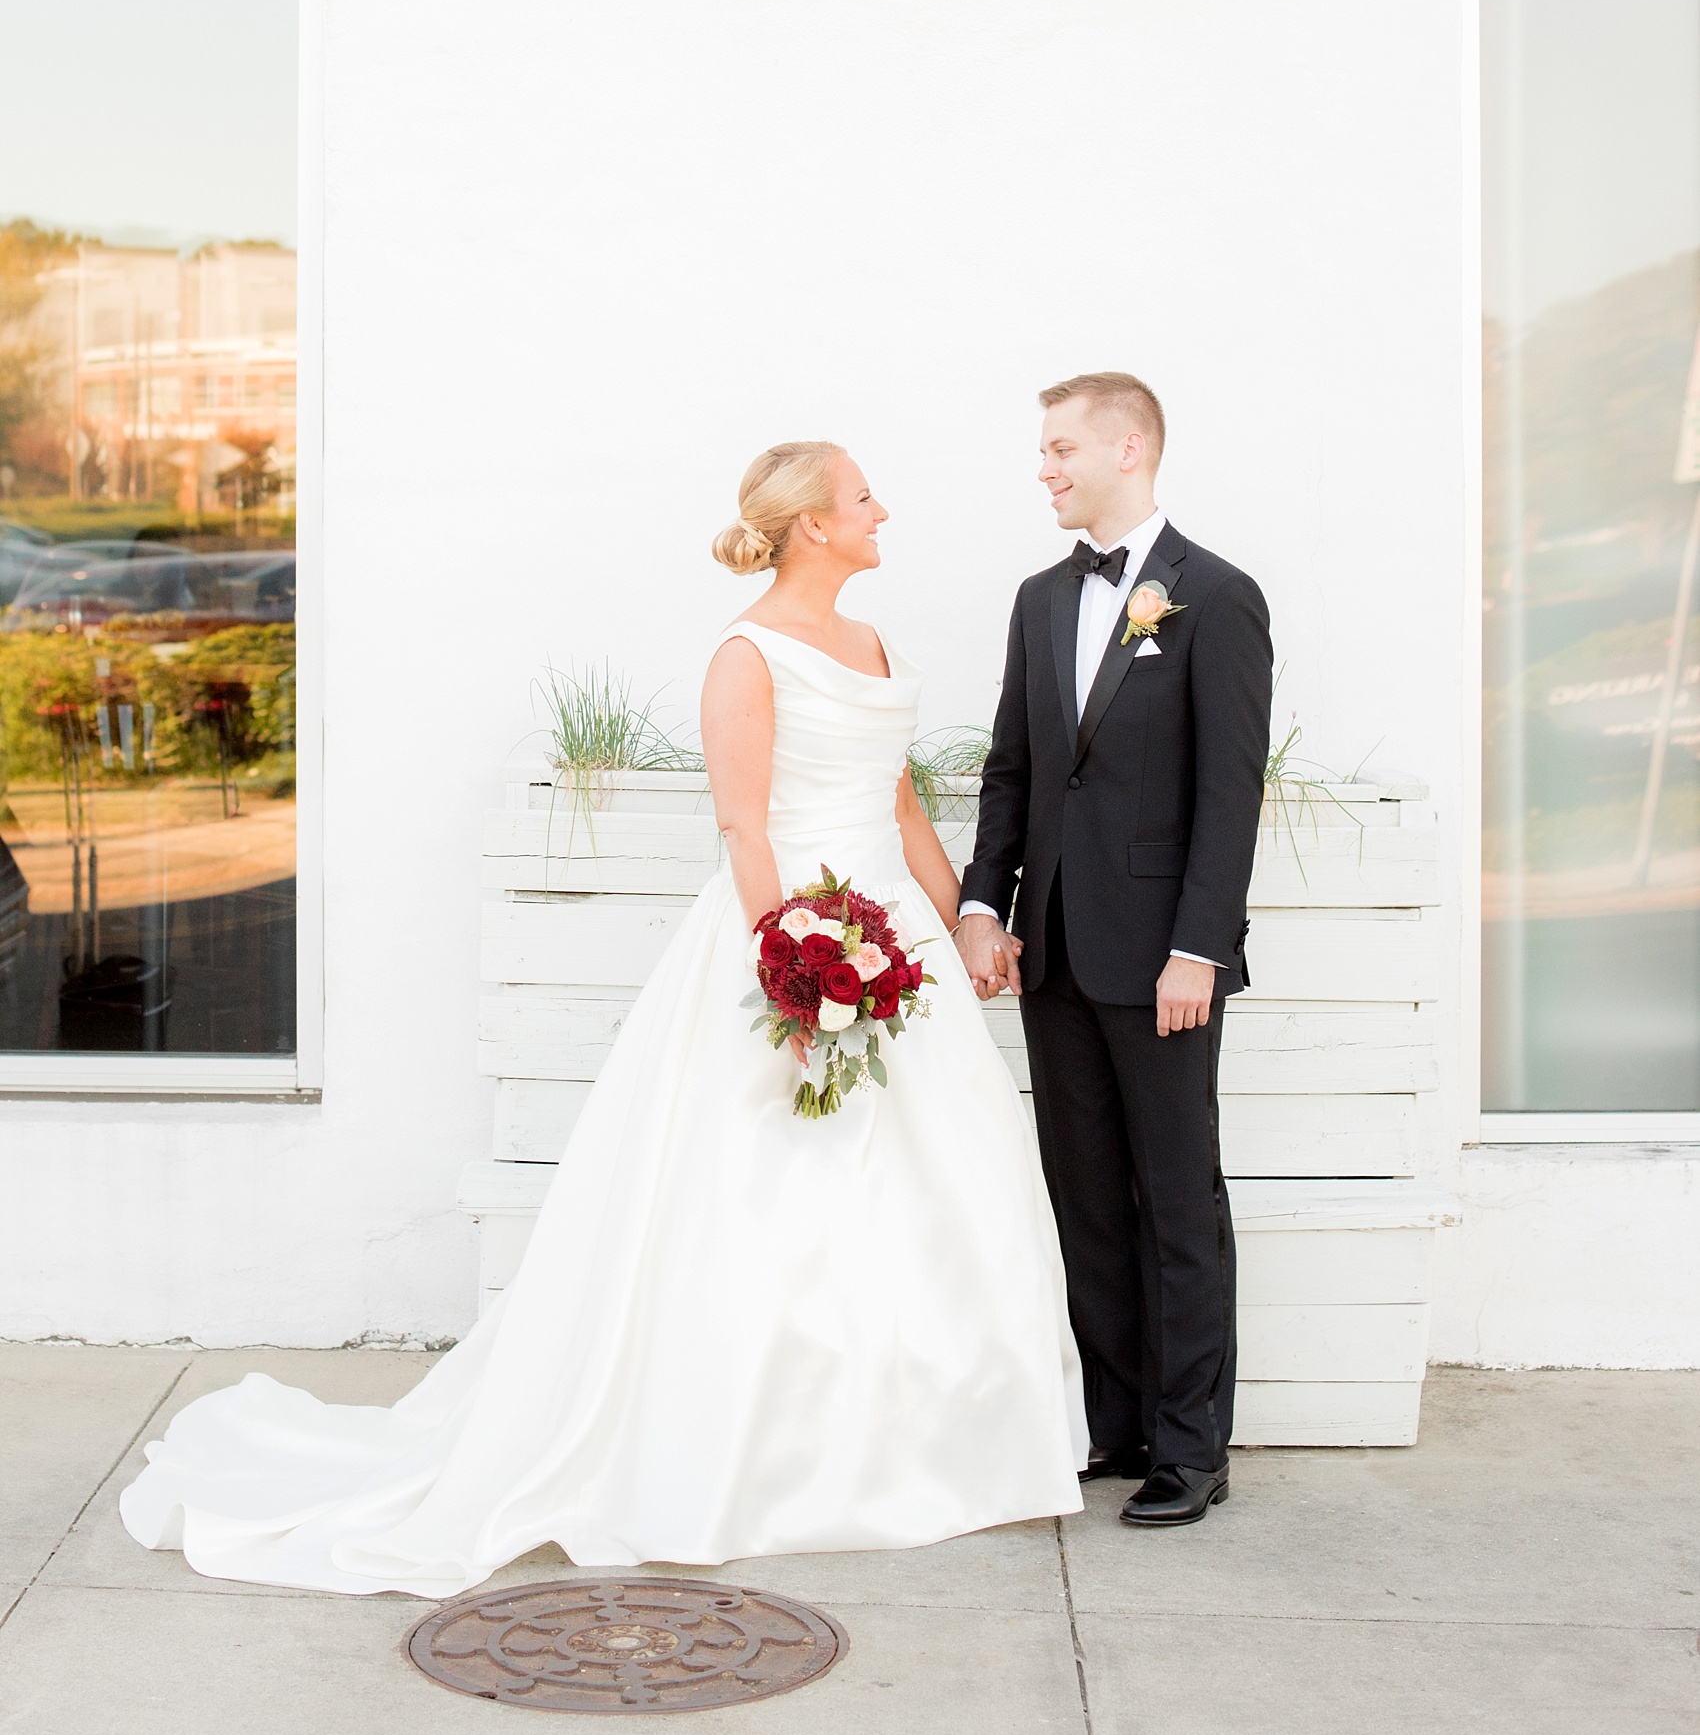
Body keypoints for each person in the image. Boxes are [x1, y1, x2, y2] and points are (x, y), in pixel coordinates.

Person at [120, 440, 1086, 1595]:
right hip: (796, 932)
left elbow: (900, 805)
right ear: (813, 526)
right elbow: (745, 832)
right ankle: (757, 1457)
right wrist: (794, 972)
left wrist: (963, 922)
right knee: (764, 1196)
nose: (884, 509)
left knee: (945, 1192)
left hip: (899, 945)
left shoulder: (871, 642)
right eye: (864, 496)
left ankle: (932, 1444)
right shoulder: (744, 656)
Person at [957, 374, 1271, 1529]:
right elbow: (1013, 770)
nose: (1043, 468)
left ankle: (1191, 1448)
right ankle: (1118, 1421)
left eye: (1058, 448)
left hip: (1161, 963)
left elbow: (1229, 797)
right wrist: (983, 906)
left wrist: (1199, 947)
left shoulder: (1218, 597)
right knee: (1084, 1195)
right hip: (1053, 955)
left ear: (1126, 447)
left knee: (1175, 1198)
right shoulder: (1040, 600)